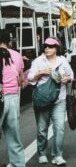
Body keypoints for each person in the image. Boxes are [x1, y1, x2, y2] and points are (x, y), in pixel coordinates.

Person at [28, 37, 73, 165]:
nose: (47, 48)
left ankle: (58, 155)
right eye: (45, 46)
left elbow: (72, 75)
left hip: (59, 99)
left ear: (56, 48)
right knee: (42, 129)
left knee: (59, 128)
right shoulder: (38, 61)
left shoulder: (62, 61)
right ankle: (42, 153)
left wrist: (67, 79)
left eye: (50, 46)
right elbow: (30, 78)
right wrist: (40, 73)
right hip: (42, 100)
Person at [0, 29, 25, 167]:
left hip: (0, 97)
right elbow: (21, 81)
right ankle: (18, 164)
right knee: (13, 137)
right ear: (9, 41)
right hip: (13, 98)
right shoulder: (16, 55)